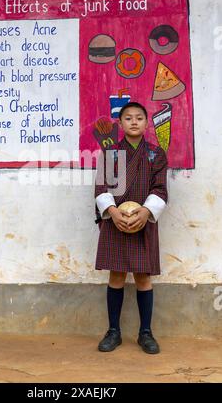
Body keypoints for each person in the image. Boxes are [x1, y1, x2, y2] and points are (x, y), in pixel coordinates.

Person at [94, 101, 168, 354]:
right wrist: (112, 212)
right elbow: (102, 189)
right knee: (116, 275)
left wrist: (146, 211)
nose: (134, 121)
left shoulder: (156, 154)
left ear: (147, 123)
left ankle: (145, 332)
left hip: (142, 222)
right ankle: (113, 331)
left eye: (139, 118)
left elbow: (159, 189)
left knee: (143, 277)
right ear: (120, 123)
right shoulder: (110, 154)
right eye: (128, 118)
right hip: (116, 223)